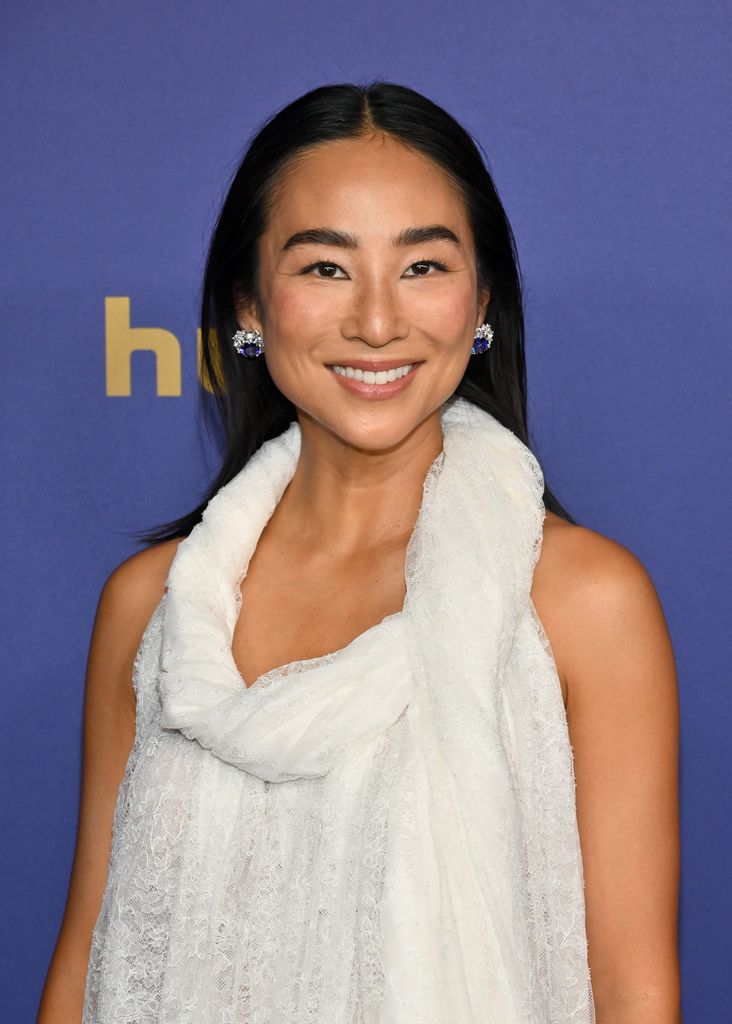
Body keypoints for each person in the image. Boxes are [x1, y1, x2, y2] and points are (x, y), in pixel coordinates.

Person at [38, 81, 681, 1023]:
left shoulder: (582, 602)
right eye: (326, 269)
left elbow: (633, 993)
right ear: (248, 307)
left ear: (482, 298)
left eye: (423, 266)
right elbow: (90, 966)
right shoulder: (154, 609)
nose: (378, 322)